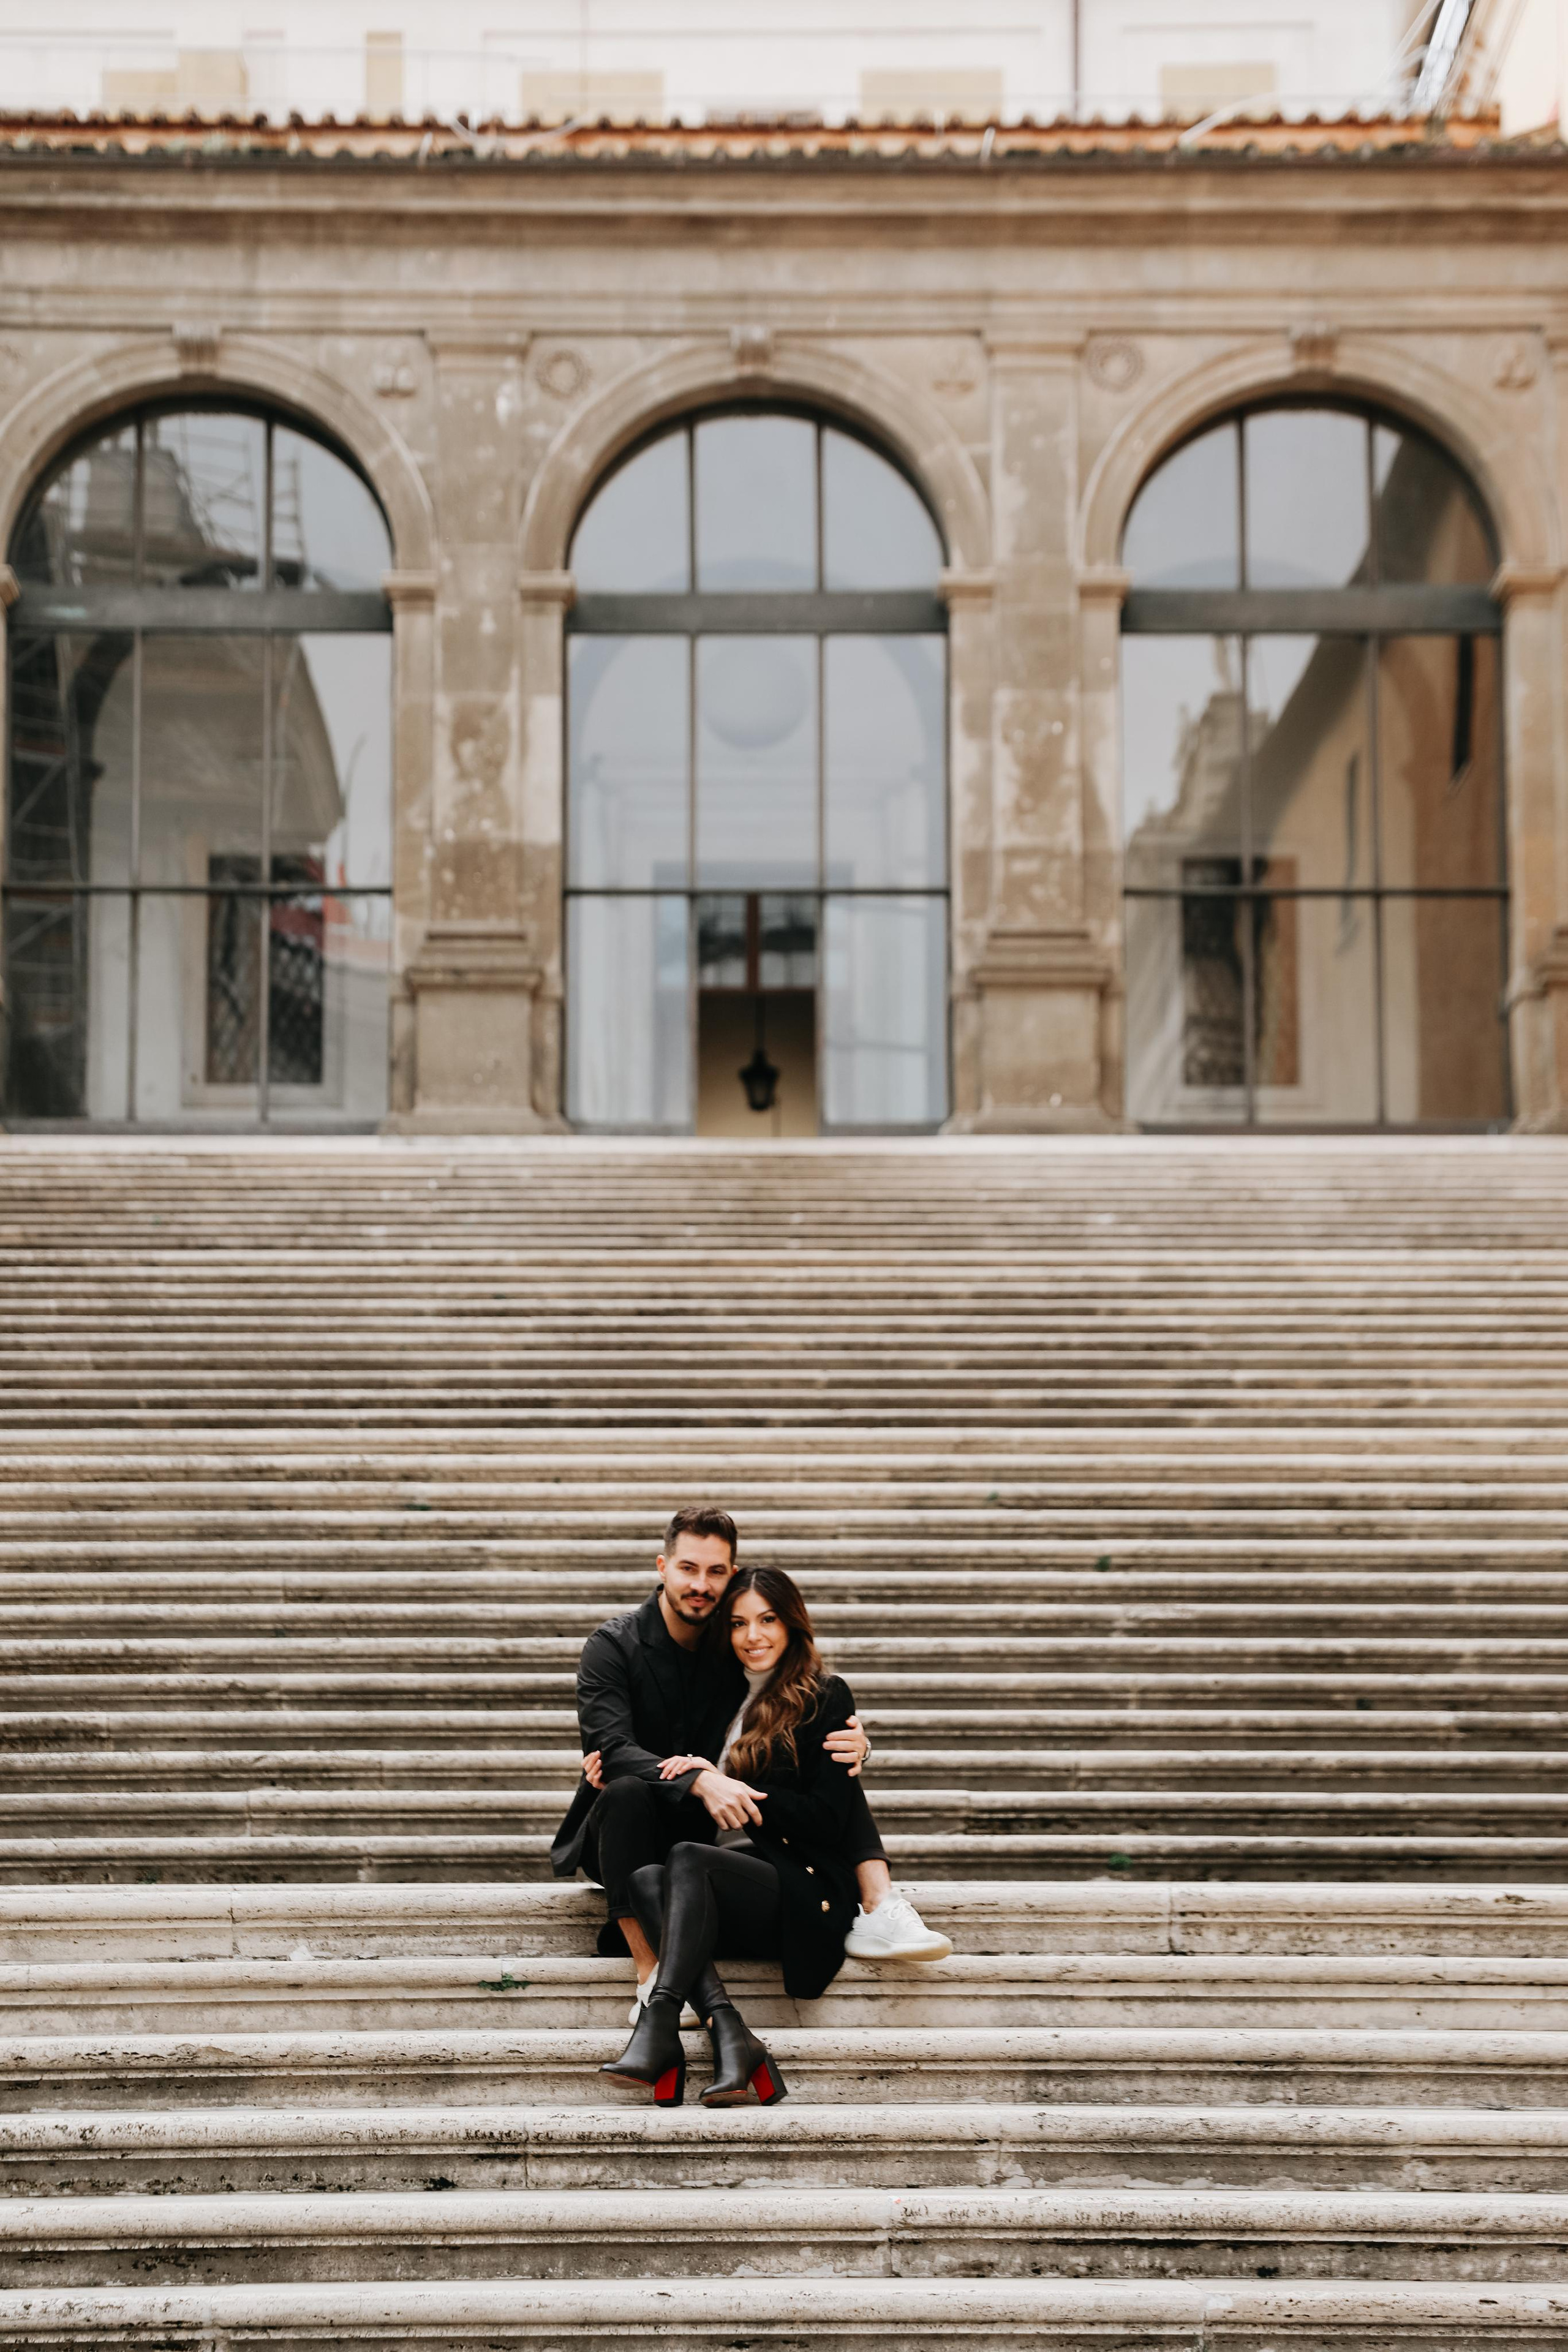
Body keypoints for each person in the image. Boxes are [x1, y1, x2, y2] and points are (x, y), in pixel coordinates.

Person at [550, 1506, 949, 2029]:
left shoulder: (733, 1655)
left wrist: (857, 1746)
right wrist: (701, 1778)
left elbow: (795, 1715)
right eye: (688, 1568)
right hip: (632, 1826)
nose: (701, 1584)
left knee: (818, 1768)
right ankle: (652, 1975)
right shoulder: (614, 1645)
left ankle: (879, 1900)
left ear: (732, 1575)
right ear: (662, 1566)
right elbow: (613, 1746)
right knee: (626, 1791)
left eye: (716, 1572)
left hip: (717, 1840)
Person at [600, 1563, 877, 2106]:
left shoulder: (823, 1695)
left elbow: (826, 1818)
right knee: (650, 1878)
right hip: (716, 1895)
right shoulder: (716, 1701)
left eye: (768, 1619)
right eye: (738, 1623)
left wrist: (736, 1790)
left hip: (803, 1885)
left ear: (792, 1623)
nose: (753, 1637)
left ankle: (659, 2020)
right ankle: (733, 2033)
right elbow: (651, 1760)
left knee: (686, 1860)